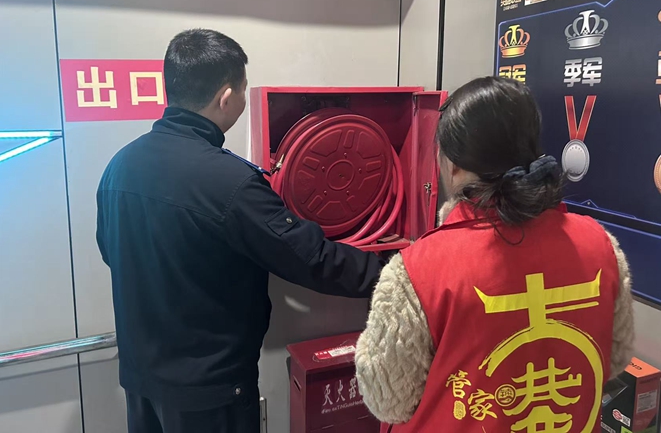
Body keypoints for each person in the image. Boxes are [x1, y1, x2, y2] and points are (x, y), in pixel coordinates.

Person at [96, 29, 384, 433]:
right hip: (209, 393)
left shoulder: (120, 166)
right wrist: (395, 273)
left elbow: (110, 251)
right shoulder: (230, 183)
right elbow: (311, 259)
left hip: (142, 383)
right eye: (244, 91)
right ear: (226, 97)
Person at [354, 77, 635, 433]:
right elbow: (615, 357)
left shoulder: (418, 269)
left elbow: (388, 399)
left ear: (452, 164)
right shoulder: (600, 244)